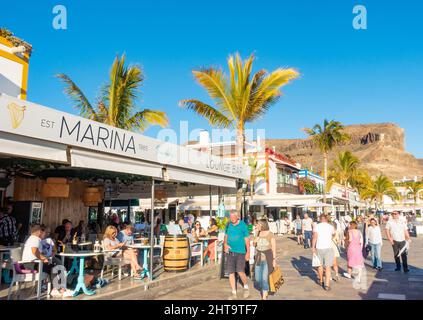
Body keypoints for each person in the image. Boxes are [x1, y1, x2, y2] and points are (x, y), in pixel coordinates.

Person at [22, 224, 73, 297]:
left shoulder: (32, 238)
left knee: (54, 265)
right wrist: (44, 259)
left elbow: (37, 251)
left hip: (31, 263)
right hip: (31, 264)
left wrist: (45, 258)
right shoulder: (35, 239)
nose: (45, 234)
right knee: (56, 266)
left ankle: (55, 288)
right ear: (39, 231)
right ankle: (59, 289)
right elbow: (34, 251)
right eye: (44, 232)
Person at [224, 210, 250, 299]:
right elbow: (226, 236)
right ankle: (234, 293)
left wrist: (248, 252)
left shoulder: (243, 225)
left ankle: (246, 286)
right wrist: (225, 245)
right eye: (230, 217)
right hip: (230, 252)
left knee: (240, 271)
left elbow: (247, 240)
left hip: (241, 252)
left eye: (233, 217)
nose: (231, 219)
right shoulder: (228, 224)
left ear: (237, 216)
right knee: (231, 272)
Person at [253, 219, 276, 300]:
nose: (256, 226)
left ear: (262, 225)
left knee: (264, 278)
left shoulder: (270, 234)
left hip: (267, 258)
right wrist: (255, 241)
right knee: (257, 279)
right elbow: (254, 244)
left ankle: (264, 295)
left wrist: (274, 260)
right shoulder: (257, 233)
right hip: (258, 258)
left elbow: (273, 248)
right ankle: (265, 288)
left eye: (258, 225)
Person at [312, 214, 335, 291]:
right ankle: (327, 285)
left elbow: (314, 237)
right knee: (328, 267)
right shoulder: (330, 226)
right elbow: (333, 234)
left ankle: (321, 280)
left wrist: (313, 247)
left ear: (320, 219)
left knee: (320, 265)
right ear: (326, 219)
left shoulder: (317, 226)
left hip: (319, 247)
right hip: (328, 247)